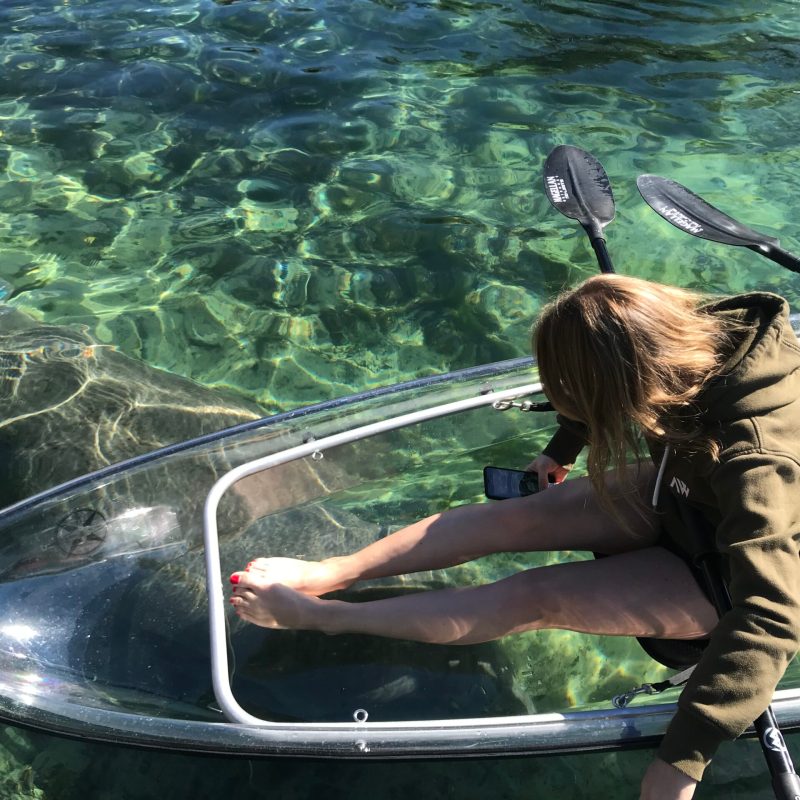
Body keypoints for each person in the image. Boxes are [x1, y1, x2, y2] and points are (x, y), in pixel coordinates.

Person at [230, 274, 800, 800]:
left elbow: (771, 617)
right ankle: (332, 573)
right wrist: (563, 447)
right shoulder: (707, 330)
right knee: (514, 516)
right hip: (684, 485)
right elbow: (617, 372)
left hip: (730, 573)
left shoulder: (757, 462)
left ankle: (326, 617)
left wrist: (682, 759)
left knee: (535, 596)